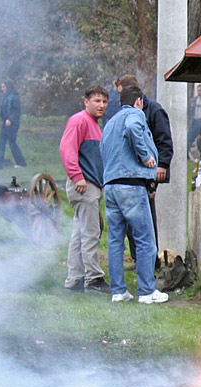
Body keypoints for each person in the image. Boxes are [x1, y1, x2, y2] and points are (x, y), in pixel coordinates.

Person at [101, 85, 168, 304]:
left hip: (110, 187)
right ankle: (147, 292)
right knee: (145, 240)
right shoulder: (134, 114)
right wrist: (145, 155)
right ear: (139, 100)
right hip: (131, 185)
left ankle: (118, 292)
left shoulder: (110, 123)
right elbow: (132, 127)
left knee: (115, 241)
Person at [115, 75, 174, 268]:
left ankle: (151, 261)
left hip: (150, 171)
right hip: (134, 172)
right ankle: (138, 257)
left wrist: (162, 165)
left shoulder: (154, 111)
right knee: (132, 219)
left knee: (147, 217)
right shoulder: (128, 113)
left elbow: (164, 140)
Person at [59, 86, 111, 295]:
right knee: (90, 233)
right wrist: (77, 176)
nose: (101, 105)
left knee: (80, 233)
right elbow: (67, 148)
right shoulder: (79, 120)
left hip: (91, 185)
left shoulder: (95, 125)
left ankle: (75, 278)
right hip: (83, 184)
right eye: (97, 101)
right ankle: (93, 279)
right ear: (86, 101)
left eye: (104, 102)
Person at [0, 81, 27, 169]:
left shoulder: (14, 97)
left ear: (8, 87)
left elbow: (16, 111)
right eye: (2, 87)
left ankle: (21, 163)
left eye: (3, 87)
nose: (2, 89)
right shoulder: (5, 96)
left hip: (12, 124)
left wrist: (10, 119)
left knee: (12, 143)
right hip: (5, 124)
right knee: (1, 143)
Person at [187, 83, 201, 157]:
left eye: (200, 90)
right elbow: (189, 113)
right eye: (198, 90)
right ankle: (187, 155)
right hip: (194, 122)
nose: (199, 92)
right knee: (189, 138)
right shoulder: (193, 100)